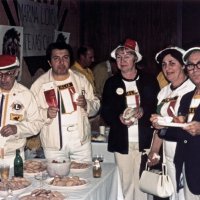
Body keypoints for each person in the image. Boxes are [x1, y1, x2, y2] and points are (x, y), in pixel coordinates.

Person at [101, 38, 159, 200]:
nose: (122, 60)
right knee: (125, 185)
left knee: (142, 186)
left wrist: (144, 110)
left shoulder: (149, 80)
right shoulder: (111, 83)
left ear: (135, 58)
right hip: (122, 142)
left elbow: (156, 105)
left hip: (145, 141)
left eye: (127, 56)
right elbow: (105, 111)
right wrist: (118, 117)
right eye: (119, 57)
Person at [31, 42, 100, 162]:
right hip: (54, 144)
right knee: (57, 178)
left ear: (70, 61)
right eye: (56, 58)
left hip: (80, 141)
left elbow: (96, 105)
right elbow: (31, 114)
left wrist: (86, 104)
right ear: (49, 62)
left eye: (65, 58)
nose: (61, 62)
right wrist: (45, 113)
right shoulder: (39, 85)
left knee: (85, 177)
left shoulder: (81, 80)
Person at [148, 47, 195, 200]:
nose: (167, 68)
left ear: (183, 65)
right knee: (173, 193)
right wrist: (154, 150)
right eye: (163, 64)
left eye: (172, 63)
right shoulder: (164, 92)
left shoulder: (193, 88)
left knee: (187, 194)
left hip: (187, 148)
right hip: (167, 150)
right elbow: (160, 126)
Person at [0, 54, 42, 165]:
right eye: (0, 74)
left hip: (13, 158)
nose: (3, 79)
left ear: (16, 72)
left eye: (8, 74)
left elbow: (36, 124)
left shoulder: (25, 95)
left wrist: (17, 129)